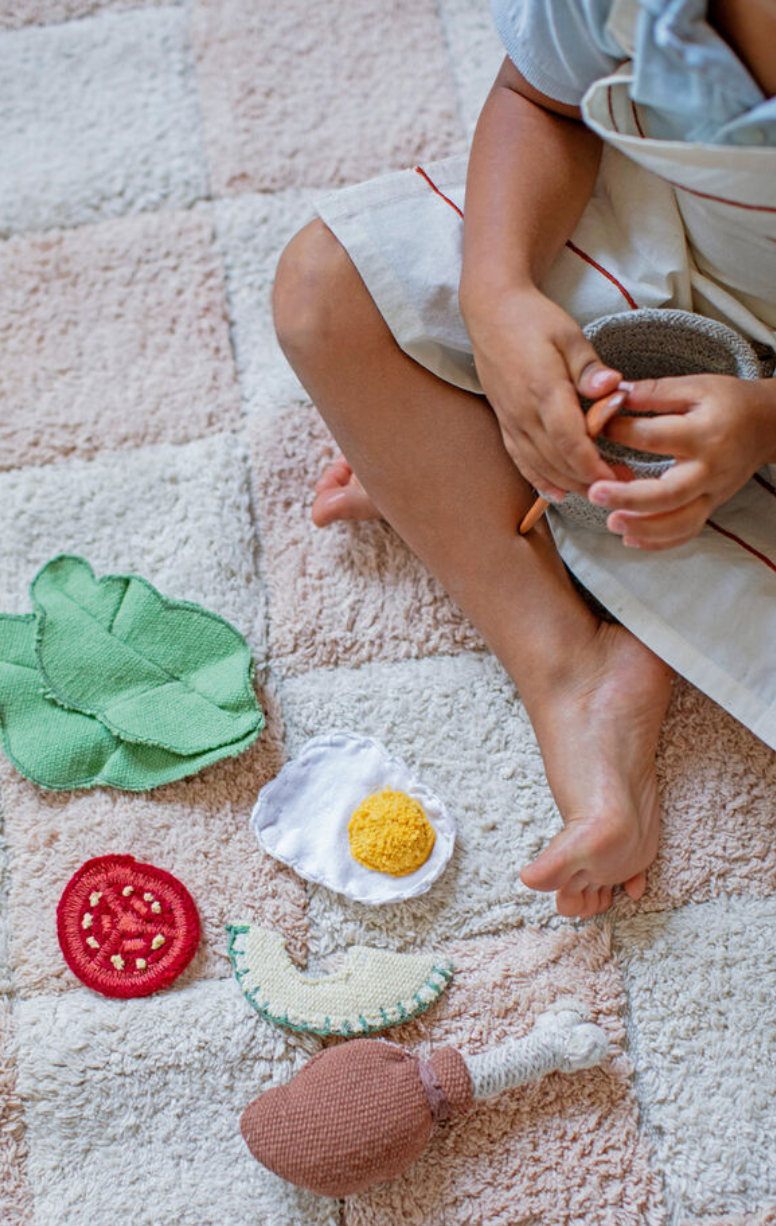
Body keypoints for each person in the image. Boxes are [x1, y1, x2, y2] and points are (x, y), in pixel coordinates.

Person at [271, 0, 776, 919]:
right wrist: (496, 295)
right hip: (683, 247)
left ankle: (456, 468)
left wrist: (767, 421)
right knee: (325, 292)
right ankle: (573, 670)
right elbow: (539, 99)